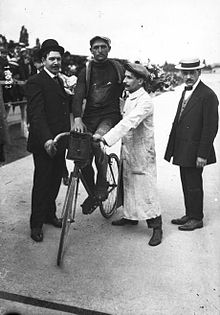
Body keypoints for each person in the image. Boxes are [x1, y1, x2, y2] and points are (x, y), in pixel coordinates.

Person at [93, 63, 163, 246]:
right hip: (129, 148)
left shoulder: (145, 101)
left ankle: (156, 226)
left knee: (145, 187)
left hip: (141, 151)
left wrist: (106, 139)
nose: (124, 81)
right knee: (128, 182)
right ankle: (131, 217)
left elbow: (129, 122)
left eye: (129, 78)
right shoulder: (131, 96)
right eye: (124, 77)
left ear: (140, 80)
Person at [164, 58, 219, 231]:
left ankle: (197, 218)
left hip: (195, 149)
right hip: (183, 147)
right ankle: (189, 214)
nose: (188, 76)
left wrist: (202, 154)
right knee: (186, 181)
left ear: (199, 73)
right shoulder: (186, 91)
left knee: (194, 183)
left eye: (192, 73)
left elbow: (211, 128)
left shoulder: (208, 95)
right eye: (185, 73)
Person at [72, 36, 124, 214]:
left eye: (103, 47)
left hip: (109, 117)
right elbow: (78, 96)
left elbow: (133, 83)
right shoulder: (85, 71)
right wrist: (77, 118)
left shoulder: (118, 68)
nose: (100, 50)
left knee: (96, 142)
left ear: (109, 48)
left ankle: (102, 185)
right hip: (89, 118)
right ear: (91, 51)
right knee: (81, 157)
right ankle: (93, 193)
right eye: (96, 47)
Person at [26, 39, 71, 242]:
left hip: (60, 140)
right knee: (43, 182)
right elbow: (36, 115)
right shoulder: (35, 82)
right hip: (44, 142)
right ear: (43, 60)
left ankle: (49, 214)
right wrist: (46, 140)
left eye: (58, 59)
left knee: (54, 181)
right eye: (51, 59)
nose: (55, 62)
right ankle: (36, 224)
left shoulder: (59, 80)